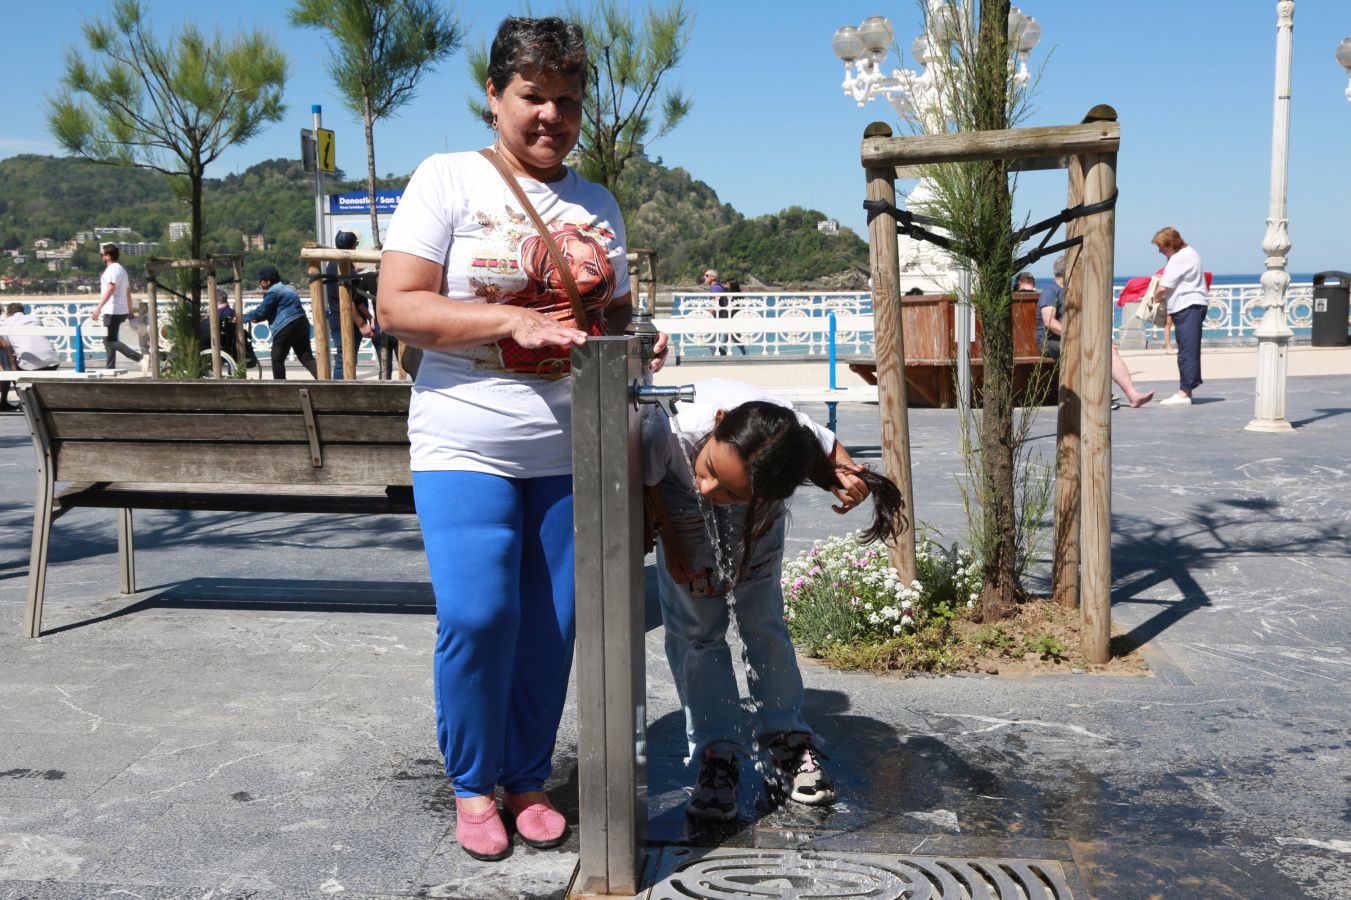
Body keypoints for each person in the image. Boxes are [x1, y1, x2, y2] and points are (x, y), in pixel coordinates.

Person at [375, 16, 668, 862]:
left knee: (554, 622)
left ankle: (528, 774)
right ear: (494, 97)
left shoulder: (595, 201)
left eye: (567, 101)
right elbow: (398, 307)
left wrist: (634, 331)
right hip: (463, 433)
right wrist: (507, 319)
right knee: (479, 613)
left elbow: (605, 312)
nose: (550, 115)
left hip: (573, 439)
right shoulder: (447, 179)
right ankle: (473, 784)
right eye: (532, 97)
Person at [642, 378, 906, 821]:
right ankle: (717, 752)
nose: (711, 489)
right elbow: (651, 484)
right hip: (678, 504)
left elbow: (829, 447)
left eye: (726, 489)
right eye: (710, 470)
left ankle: (787, 740)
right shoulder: (669, 431)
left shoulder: (787, 439)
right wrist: (671, 538)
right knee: (696, 633)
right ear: (720, 423)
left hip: (754, 515)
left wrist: (845, 476)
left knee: (762, 620)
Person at [1038, 255, 1154, 409]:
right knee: (1091, 350)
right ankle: (1099, 396)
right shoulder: (1051, 291)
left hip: (1071, 339)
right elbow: (1049, 322)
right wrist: (1078, 337)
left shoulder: (1072, 291)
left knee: (1109, 350)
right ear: (1069, 271)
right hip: (1050, 341)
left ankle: (1132, 395)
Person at [1150, 227, 1208, 406]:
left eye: (1161, 247)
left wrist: (1153, 299)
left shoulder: (1179, 258)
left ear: (1170, 244)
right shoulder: (1190, 253)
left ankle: (1184, 392)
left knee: (1186, 350)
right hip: (1194, 304)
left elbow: (1164, 287)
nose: (1160, 251)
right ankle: (1187, 389)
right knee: (1187, 348)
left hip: (1187, 305)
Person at [244, 264, 318, 380]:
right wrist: (259, 318)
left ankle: (280, 387)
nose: (260, 283)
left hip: (287, 325)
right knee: (306, 357)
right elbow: (274, 310)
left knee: (277, 358)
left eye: (261, 280)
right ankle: (325, 381)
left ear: (268, 281)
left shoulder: (273, 292)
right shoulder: (288, 289)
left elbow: (261, 311)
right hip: (302, 323)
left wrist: (242, 317)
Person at [325, 230, 376, 378]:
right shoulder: (343, 267)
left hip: (339, 318)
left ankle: (341, 391)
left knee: (348, 357)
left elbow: (356, 298)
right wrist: (362, 324)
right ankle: (338, 394)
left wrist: (368, 317)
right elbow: (348, 300)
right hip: (345, 320)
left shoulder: (334, 264)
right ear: (353, 246)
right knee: (345, 357)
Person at [92, 243, 147, 372]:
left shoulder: (111, 270)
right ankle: (110, 368)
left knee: (108, 342)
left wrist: (98, 308)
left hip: (112, 310)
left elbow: (111, 288)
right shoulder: (122, 270)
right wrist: (130, 311)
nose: (101, 257)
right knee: (110, 340)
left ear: (108, 256)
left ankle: (139, 358)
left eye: (102, 255)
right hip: (121, 311)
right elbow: (128, 292)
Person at [0, 302, 61, 411]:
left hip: (31, 366)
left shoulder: (5, 324)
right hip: (53, 362)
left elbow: (8, 349)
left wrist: (13, 373)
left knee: (8, 366)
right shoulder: (35, 318)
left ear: (7, 313)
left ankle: (21, 401)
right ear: (23, 311)